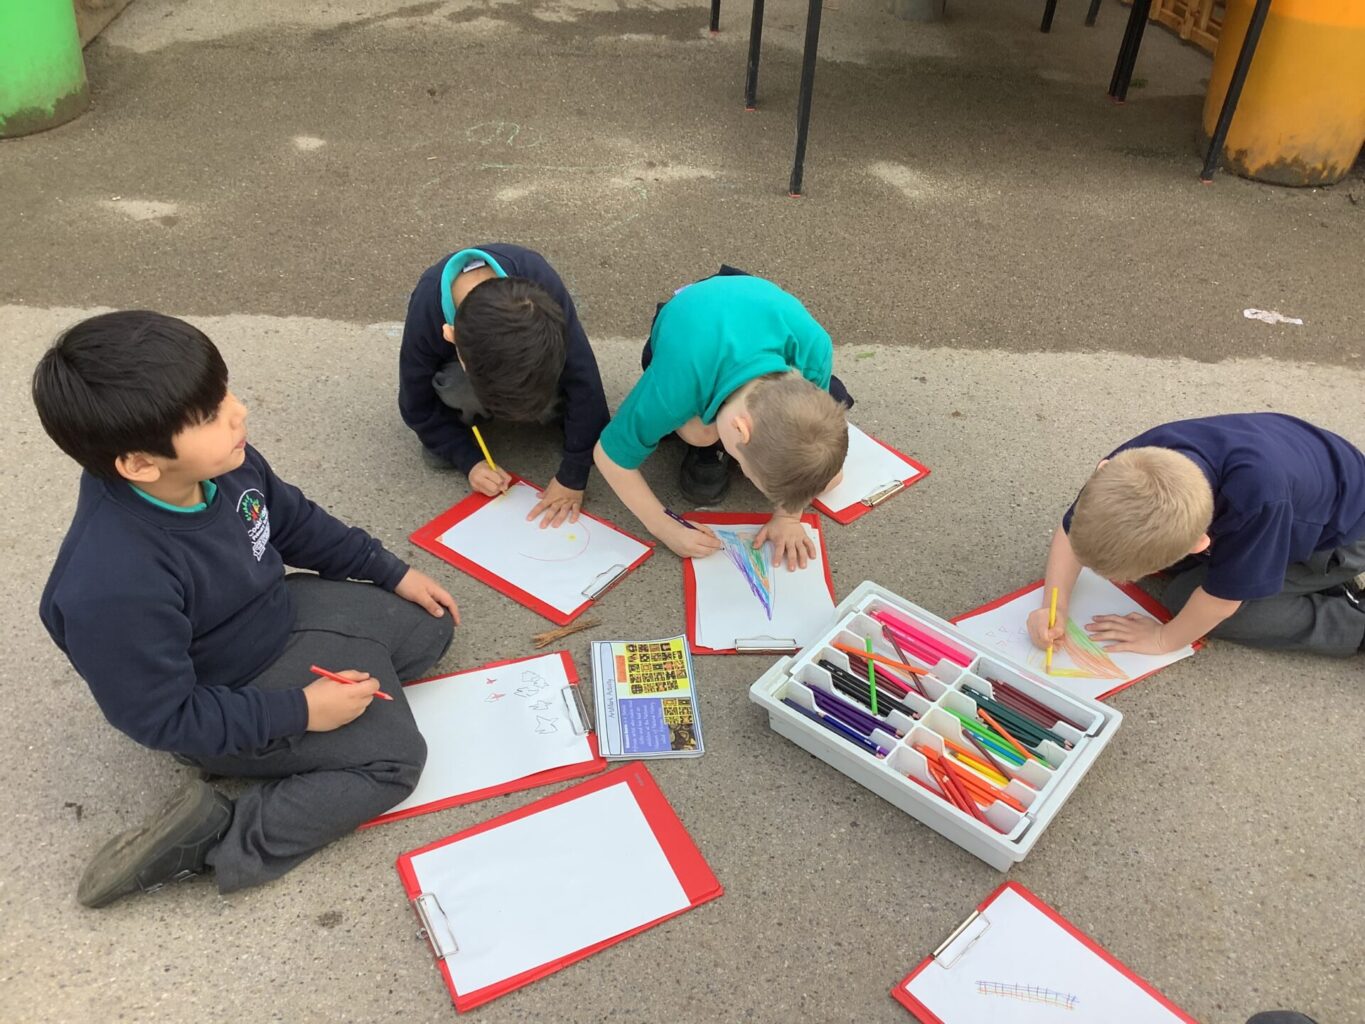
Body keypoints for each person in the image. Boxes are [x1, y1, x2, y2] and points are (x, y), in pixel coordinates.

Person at [35, 311, 459, 907]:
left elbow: (292, 520)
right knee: (395, 761)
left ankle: (327, 704)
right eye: (211, 413)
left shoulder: (221, 463)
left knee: (430, 630)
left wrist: (388, 569)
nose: (239, 411)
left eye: (224, 393)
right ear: (139, 463)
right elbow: (164, 717)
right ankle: (216, 839)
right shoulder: (113, 584)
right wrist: (302, 712)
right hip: (223, 689)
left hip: (270, 612)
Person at [1028, 414, 1365, 658]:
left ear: (1201, 544)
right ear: (1103, 468)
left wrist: (1163, 639)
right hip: (1299, 487)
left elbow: (1222, 603)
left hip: (1344, 539)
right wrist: (1055, 604)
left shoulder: (1255, 504)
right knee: (1184, 582)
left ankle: (1353, 625)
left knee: (1186, 600)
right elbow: (1071, 533)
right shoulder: (1133, 467)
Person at [594, 268, 853, 569]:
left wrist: (789, 516)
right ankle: (707, 445)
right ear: (740, 429)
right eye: (743, 468)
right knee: (699, 434)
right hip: (690, 317)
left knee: (831, 478)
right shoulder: (677, 381)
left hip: (750, 314)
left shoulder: (815, 349)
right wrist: (665, 528)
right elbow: (609, 456)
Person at [399, 244, 610, 527]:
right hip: (459, 377)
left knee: (572, 395)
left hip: (528, 357)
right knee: (455, 388)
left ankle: (551, 408)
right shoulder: (427, 308)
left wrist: (575, 471)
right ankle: (456, 427)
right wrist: (467, 459)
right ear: (450, 336)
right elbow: (416, 404)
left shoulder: (540, 285)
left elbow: (584, 377)